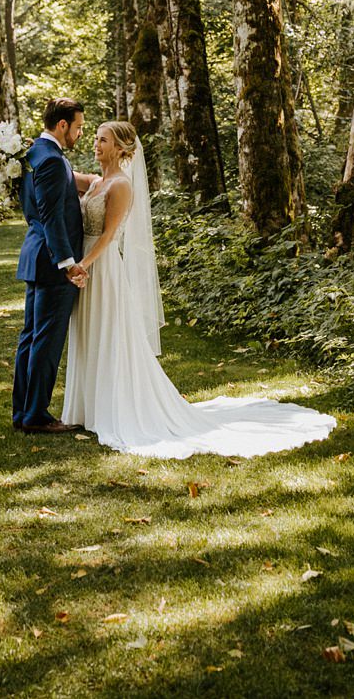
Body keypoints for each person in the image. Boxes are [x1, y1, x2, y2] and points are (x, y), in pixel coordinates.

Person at [60, 120, 337, 458]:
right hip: (86, 269)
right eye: (95, 138)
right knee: (89, 334)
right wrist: (21, 158)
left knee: (109, 336)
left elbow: (108, 236)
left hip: (101, 269)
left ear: (121, 148)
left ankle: (115, 409)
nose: (96, 144)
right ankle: (88, 410)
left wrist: (83, 265)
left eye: (103, 140)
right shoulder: (96, 182)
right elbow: (61, 174)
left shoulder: (121, 186)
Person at [10, 97, 94, 434]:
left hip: (37, 256)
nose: (80, 134)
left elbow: (33, 207)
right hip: (52, 263)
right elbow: (51, 215)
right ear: (62, 125)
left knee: (31, 338)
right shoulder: (52, 161)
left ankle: (24, 412)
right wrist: (68, 262)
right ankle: (36, 416)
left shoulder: (31, 155)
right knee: (45, 341)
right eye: (78, 128)